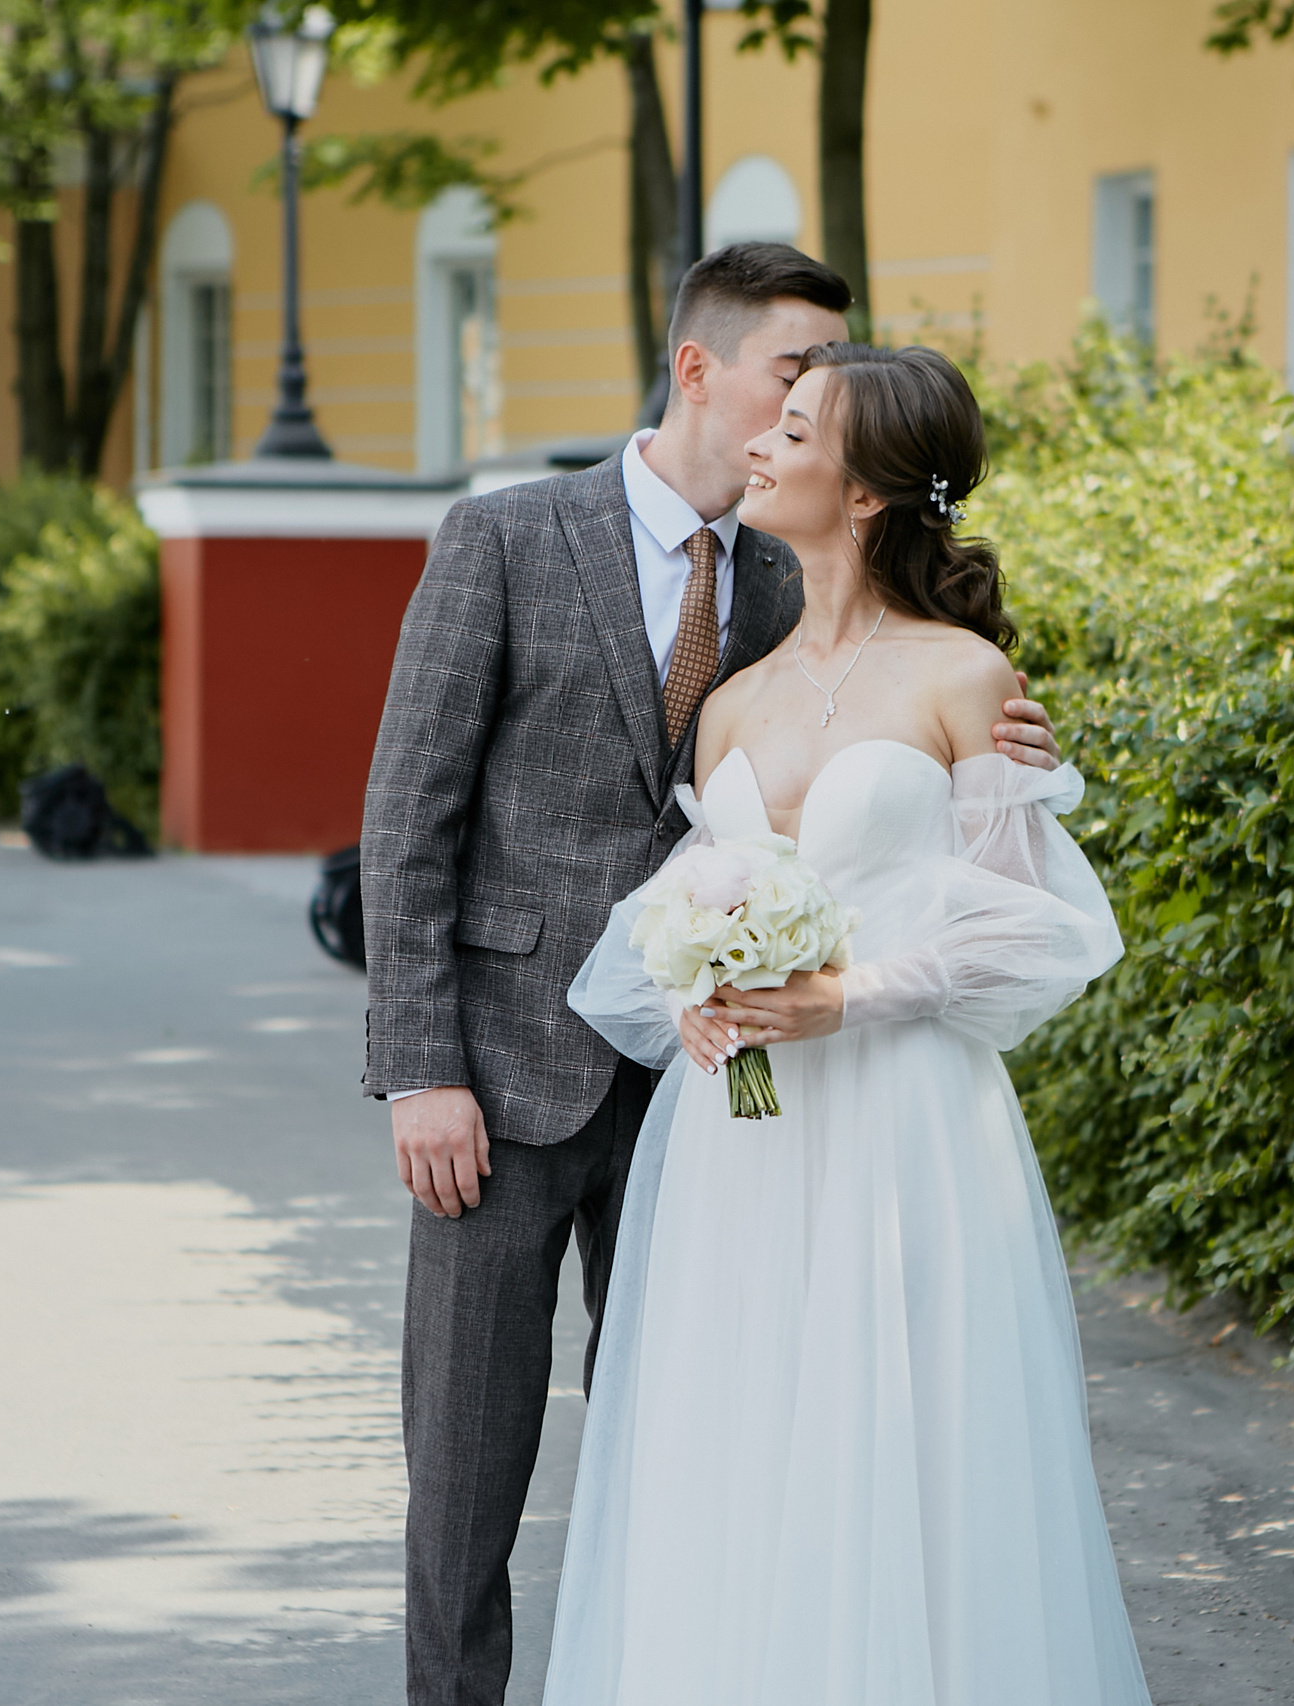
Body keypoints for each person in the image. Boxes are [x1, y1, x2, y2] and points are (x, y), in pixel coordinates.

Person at [360, 248, 1063, 1706]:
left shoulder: (781, 578)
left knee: (701, 1455)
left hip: (736, 1112)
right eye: (794, 374)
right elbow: (407, 817)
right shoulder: (504, 537)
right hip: (499, 1076)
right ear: (703, 367)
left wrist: (1016, 758)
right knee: (468, 1474)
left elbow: (871, 771)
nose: (802, 405)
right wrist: (420, 1064)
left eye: (824, 389)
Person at [544, 342, 1152, 1704]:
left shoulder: (967, 679)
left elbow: (1033, 927)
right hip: (743, 1144)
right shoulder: (730, 703)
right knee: (744, 1437)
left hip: (906, 1122)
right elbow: (679, 904)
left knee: (912, 1444)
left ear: (868, 490)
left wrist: (848, 995)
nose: (759, 442)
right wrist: (696, 996)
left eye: (796, 429)